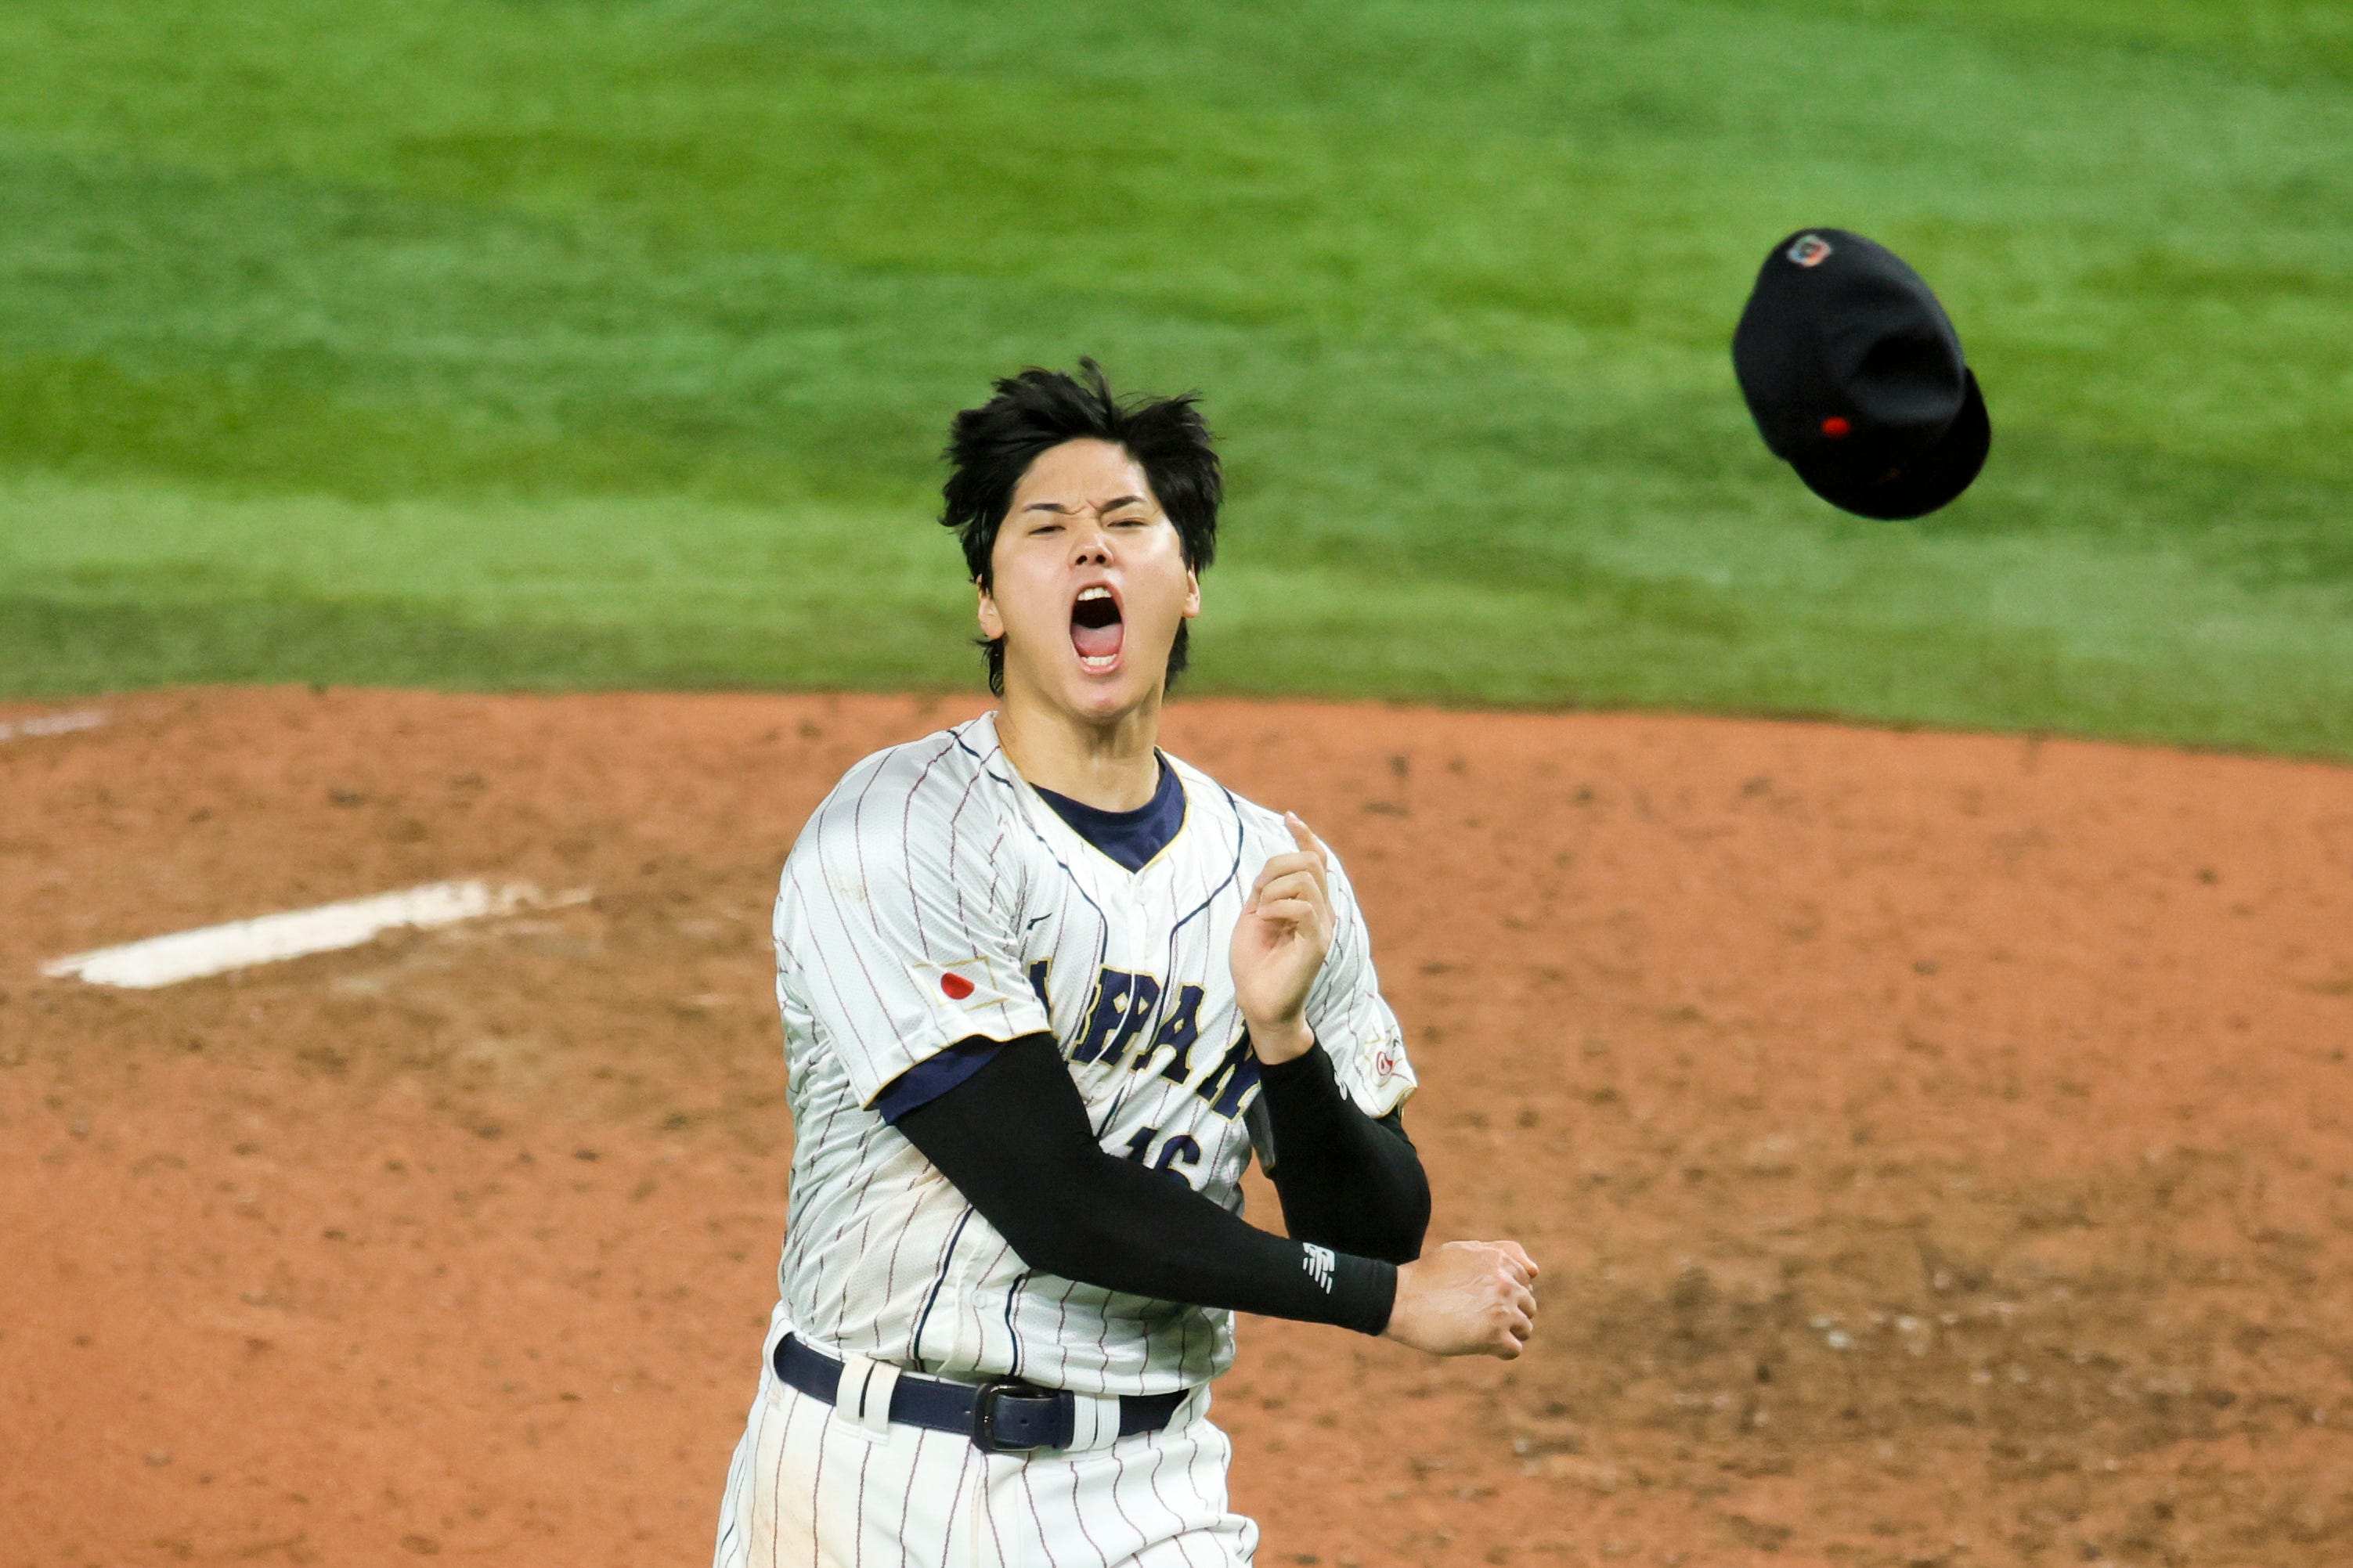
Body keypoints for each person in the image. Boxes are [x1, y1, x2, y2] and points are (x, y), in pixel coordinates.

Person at [713, 361, 1539, 1566]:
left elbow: (1375, 1220)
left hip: (1146, 1485)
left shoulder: (1273, 871)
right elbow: (1058, 1201)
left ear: (1187, 583)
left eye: (1127, 525)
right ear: (990, 602)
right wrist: (1389, 1307)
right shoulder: (897, 833)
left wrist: (1286, 1047)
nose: (1089, 554)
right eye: (1044, 531)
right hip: (871, 1479)